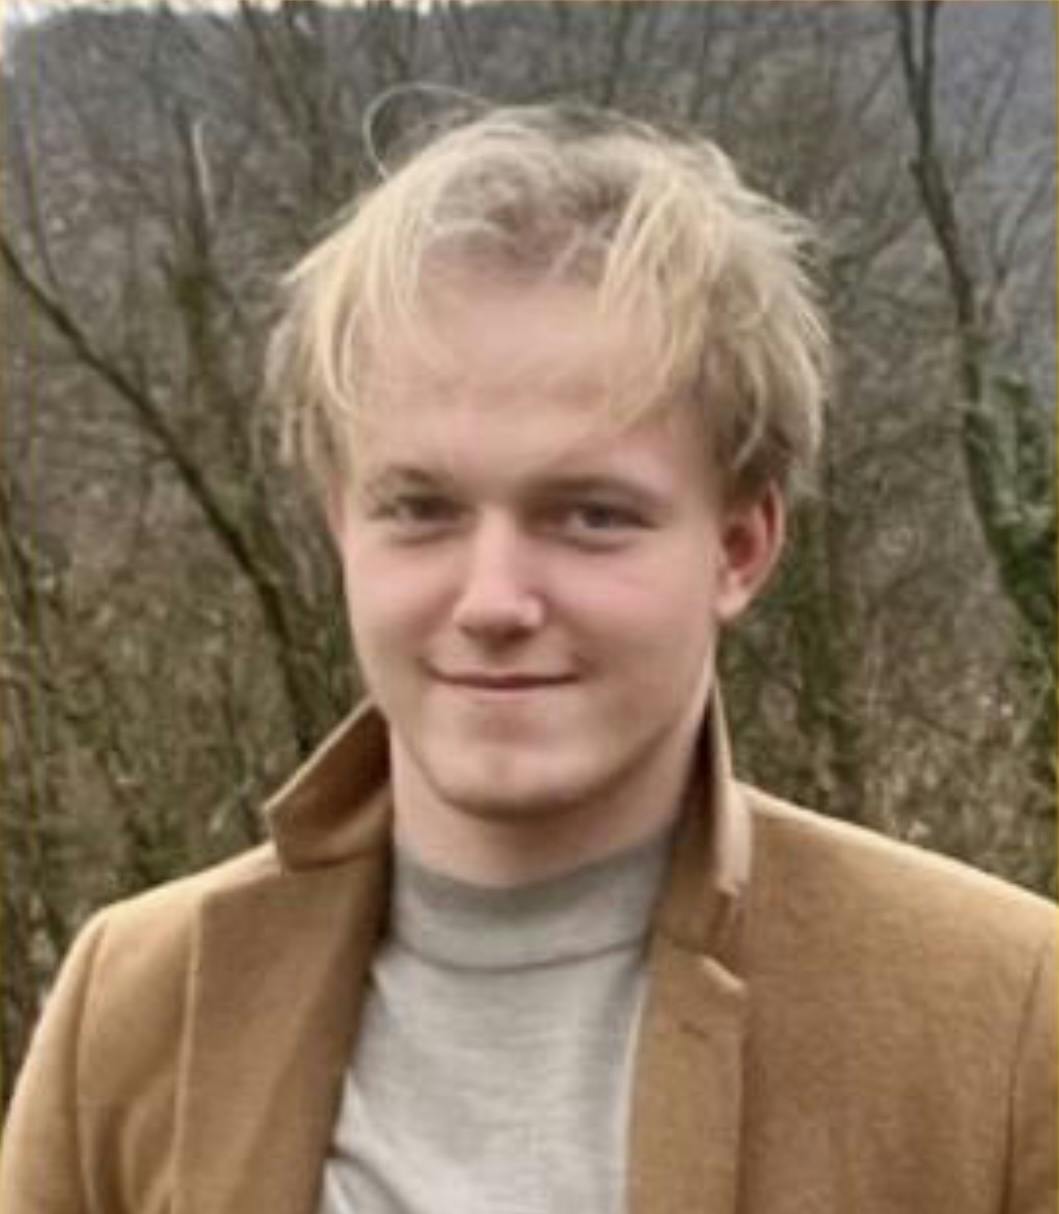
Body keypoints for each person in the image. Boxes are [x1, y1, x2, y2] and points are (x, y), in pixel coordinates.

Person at [2, 101, 1054, 1214]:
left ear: (740, 546)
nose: (493, 600)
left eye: (591, 515)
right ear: (341, 525)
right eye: (421, 508)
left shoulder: (1003, 1024)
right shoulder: (137, 1008)